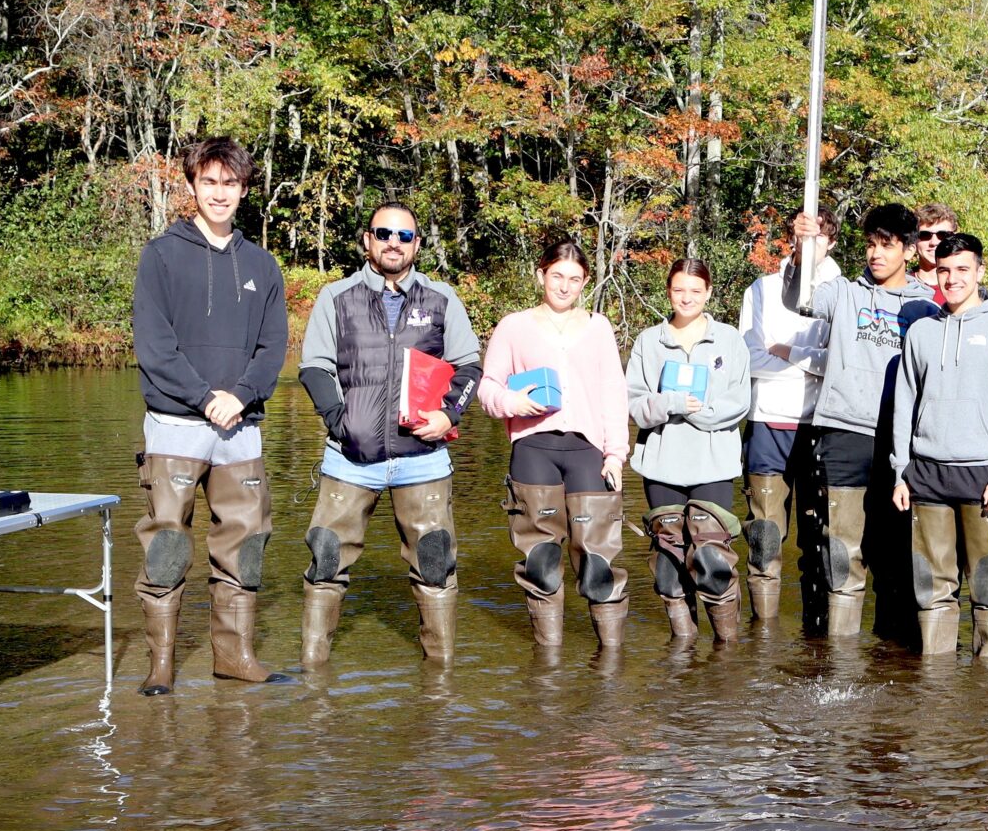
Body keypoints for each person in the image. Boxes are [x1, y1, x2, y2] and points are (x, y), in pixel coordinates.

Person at [130, 134, 291, 695]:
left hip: (241, 429)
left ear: (244, 190)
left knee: (245, 543)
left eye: (230, 183)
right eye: (209, 182)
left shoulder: (262, 265)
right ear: (193, 185)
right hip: (176, 426)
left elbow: (273, 348)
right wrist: (204, 398)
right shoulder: (161, 255)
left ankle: (235, 657)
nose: (219, 193)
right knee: (168, 545)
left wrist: (240, 395)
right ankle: (161, 666)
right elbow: (154, 346)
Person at [295, 202, 482, 668]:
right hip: (349, 460)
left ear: (417, 244)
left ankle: (438, 688)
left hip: (423, 458)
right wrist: (341, 422)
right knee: (325, 561)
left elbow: (470, 367)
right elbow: (314, 367)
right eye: (383, 233)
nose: (393, 243)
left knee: (436, 567)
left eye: (404, 236)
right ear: (367, 241)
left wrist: (450, 414)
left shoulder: (442, 299)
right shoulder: (336, 297)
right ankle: (314, 683)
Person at [783, 204, 939, 638]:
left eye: (886, 245)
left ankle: (893, 659)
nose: (876, 254)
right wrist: (803, 250)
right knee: (841, 552)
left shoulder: (927, 309)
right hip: (843, 433)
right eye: (871, 244)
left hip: (897, 443)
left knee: (893, 556)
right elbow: (798, 299)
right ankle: (840, 659)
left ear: (909, 250)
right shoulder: (843, 292)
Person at [479, 236, 631, 651]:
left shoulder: (599, 327)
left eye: (575, 279)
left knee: (598, 560)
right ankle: (548, 670)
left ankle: (610, 667)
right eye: (557, 276)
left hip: (587, 452)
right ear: (541, 274)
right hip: (533, 450)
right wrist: (511, 401)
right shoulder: (513, 326)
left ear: (585, 282)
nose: (565, 286)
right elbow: (487, 387)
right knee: (541, 562)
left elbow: (613, 393)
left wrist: (616, 455)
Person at [890, 232, 988, 656]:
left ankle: (985, 685)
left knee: (984, 585)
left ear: (980, 272)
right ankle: (938, 688)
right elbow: (904, 404)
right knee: (932, 587)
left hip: (982, 475)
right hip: (925, 474)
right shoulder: (922, 332)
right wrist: (900, 472)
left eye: (963, 269)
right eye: (944, 271)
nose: (953, 279)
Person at [628, 259, 754, 643]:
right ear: (669, 291)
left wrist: (700, 414)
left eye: (695, 291)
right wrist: (673, 404)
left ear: (709, 293)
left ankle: (726, 652)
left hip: (712, 467)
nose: (687, 298)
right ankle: (683, 654)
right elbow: (634, 404)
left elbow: (740, 400)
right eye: (679, 290)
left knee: (712, 561)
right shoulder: (648, 342)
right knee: (668, 566)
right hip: (662, 468)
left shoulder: (729, 339)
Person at [737, 230, 839, 626]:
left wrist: (792, 351)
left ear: (830, 244)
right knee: (764, 537)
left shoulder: (842, 292)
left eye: (819, 239)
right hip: (768, 423)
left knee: (818, 540)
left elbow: (837, 362)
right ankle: (762, 637)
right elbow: (753, 359)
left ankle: (818, 635)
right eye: (802, 238)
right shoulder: (762, 289)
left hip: (821, 425)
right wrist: (810, 363)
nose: (809, 246)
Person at [910, 203, 960, 277]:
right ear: (914, 239)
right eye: (925, 235)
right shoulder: (899, 286)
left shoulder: (969, 286)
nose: (934, 242)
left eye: (943, 235)